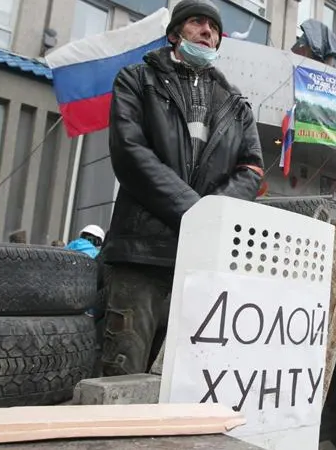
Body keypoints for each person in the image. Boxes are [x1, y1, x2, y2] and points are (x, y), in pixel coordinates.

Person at [98, 0, 264, 376]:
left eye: (214, 27)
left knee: (186, 378)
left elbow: (251, 168)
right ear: (175, 34)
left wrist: (209, 217)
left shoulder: (237, 104)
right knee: (122, 373)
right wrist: (197, 212)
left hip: (201, 264)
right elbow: (130, 151)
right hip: (141, 255)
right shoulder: (136, 80)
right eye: (197, 22)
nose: (208, 31)